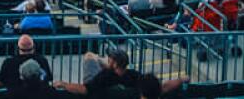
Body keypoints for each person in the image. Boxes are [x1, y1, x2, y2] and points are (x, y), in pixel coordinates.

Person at [55, 48, 185, 96]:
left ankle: (98, 59)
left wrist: (64, 84)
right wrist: (182, 79)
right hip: (117, 74)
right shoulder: (134, 76)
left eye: (111, 59)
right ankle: (101, 61)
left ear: (115, 63)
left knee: (89, 56)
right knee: (96, 60)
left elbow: (84, 89)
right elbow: (163, 87)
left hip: (93, 82)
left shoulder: (103, 77)